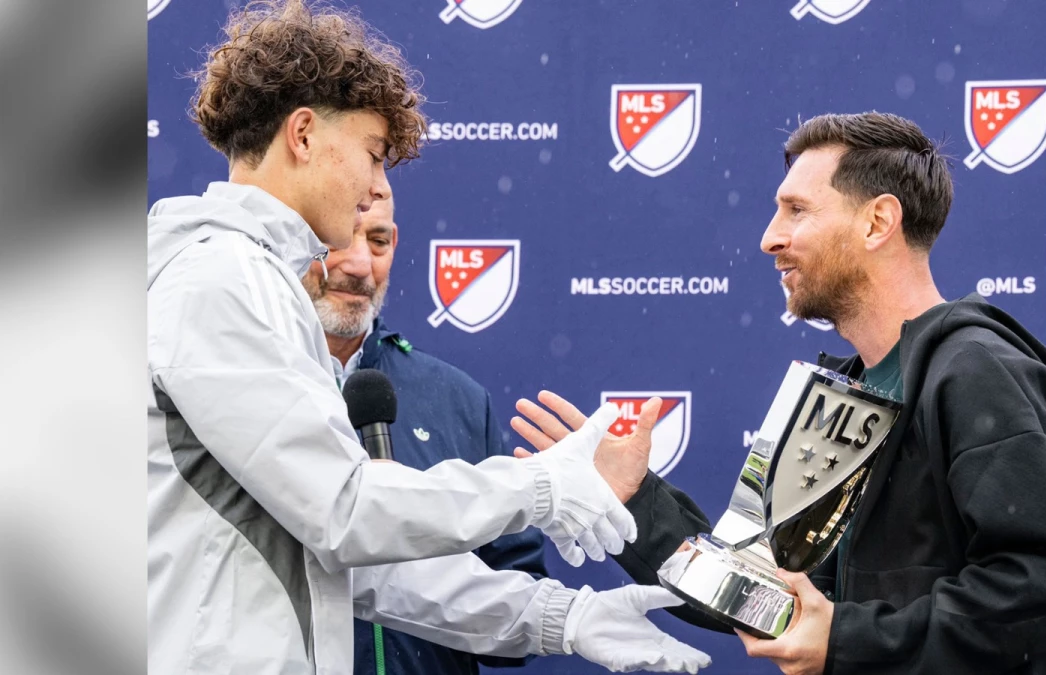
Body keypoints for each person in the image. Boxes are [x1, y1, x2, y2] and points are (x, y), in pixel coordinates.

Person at [146, 1, 710, 673]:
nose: (375, 187)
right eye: (374, 155)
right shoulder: (221, 277)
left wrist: (561, 615)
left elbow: (359, 562)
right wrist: (538, 486)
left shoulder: (254, 277)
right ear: (302, 134)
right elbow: (346, 508)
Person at [510, 112, 1046, 675]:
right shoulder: (845, 395)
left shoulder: (974, 370)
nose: (770, 238)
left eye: (797, 210)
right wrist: (632, 499)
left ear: (877, 222)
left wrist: (851, 639)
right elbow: (770, 597)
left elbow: (1044, 590)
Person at [300, 193, 550, 675]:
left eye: (376, 241)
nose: (358, 264)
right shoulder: (249, 385)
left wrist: (560, 619)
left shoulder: (456, 397)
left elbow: (516, 594)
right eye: (335, 241)